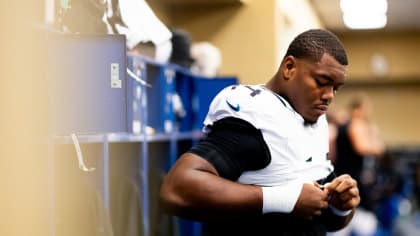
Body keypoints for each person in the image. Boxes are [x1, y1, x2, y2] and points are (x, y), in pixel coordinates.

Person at [159, 29, 361, 235]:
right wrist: (283, 199)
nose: (329, 96)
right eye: (321, 82)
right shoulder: (255, 115)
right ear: (289, 67)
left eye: (336, 88)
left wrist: (340, 206)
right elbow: (176, 189)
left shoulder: (314, 119)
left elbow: (324, 219)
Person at [331, 93, 386, 236]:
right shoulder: (355, 124)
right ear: (358, 109)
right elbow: (361, 147)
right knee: (357, 213)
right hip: (352, 176)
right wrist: (376, 143)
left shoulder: (342, 124)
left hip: (342, 173)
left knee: (345, 210)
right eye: (366, 109)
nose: (367, 113)